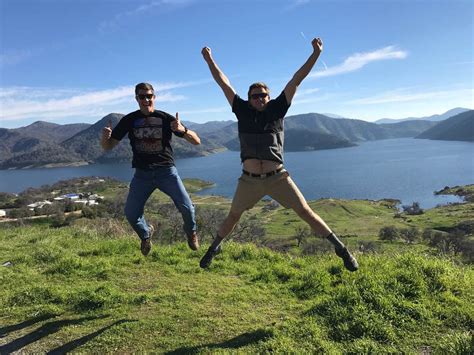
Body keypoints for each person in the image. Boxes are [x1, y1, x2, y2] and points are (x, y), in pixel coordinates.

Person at [200, 38, 358, 271]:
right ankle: (213, 248)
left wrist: (315, 54)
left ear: (269, 96)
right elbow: (223, 83)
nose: (259, 98)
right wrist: (209, 60)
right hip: (249, 180)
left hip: (278, 177)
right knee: (233, 215)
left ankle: (341, 250)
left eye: (263, 94)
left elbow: (297, 79)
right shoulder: (241, 110)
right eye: (255, 95)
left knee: (305, 211)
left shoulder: (278, 108)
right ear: (249, 98)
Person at [101, 82, 201, 256]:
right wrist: (104, 138)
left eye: (149, 96)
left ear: (154, 97)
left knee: (187, 208)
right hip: (142, 175)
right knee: (131, 214)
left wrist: (183, 130)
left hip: (167, 172)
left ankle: (191, 232)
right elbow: (108, 146)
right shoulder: (129, 120)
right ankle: (146, 235)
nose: (146, 99)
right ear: (137, 99)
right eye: (142, 96)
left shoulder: (165, 118)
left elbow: (196, 141)